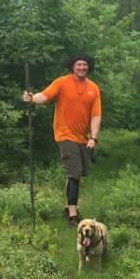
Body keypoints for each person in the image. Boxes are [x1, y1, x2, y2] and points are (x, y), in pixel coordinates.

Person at [23, 54, 101, 226]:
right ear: (72, 67)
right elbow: (44, 96)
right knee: (74, 174)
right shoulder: (62, 82)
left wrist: (93, 137)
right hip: (64, 134)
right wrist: (32, 98)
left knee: (77, 174)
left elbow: (96, 116)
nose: (82, 67)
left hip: (83, 137)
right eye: (79, 64)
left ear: (89, 67)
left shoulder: (93, 88)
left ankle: (67, 206)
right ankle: (73, 216)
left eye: (85, 65)